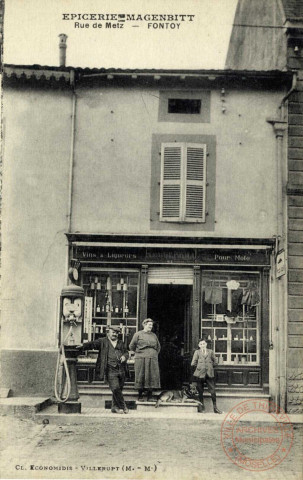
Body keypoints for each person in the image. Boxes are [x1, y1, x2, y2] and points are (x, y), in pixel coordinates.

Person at [80, 325, 129, 414]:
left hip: (121, 369)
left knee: (119, 389)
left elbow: (126, 352)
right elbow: (92, 344)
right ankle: (123, 406)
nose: (115, 334)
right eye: (113, 332)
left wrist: (124, 356)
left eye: (117, 333)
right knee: (115, 388)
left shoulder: (121, 343)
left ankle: (114, 407)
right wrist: (82, 346)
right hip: (110, 369)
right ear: (108, 333)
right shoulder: (103, 341)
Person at [129, 318, 161, 401]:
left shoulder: (154, 335)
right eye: (149, 325)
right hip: (141, 358)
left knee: (151, 376)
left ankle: (150, 396)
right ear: (144, 325)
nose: (151, 326)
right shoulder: (138, 334)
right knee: (141, 375)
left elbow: (158, 347)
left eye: (152, 325)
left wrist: (153, 354)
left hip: (152, 359)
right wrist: (139, 353)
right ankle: (140, 396)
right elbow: (131, 346)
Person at [191, 336, 222, 414]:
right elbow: (193, 363)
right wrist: (200, 367)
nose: (202, 345)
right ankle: (202, 407)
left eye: (204, 343)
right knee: (200, 391)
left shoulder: (210, 351)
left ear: (206, 344)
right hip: (199, 374)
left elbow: (215, 362)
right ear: (199, 345)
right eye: (201, 344)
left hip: (209, 374)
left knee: (213, 391)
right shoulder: (197, 352)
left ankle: (215, 408)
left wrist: (210, 367)